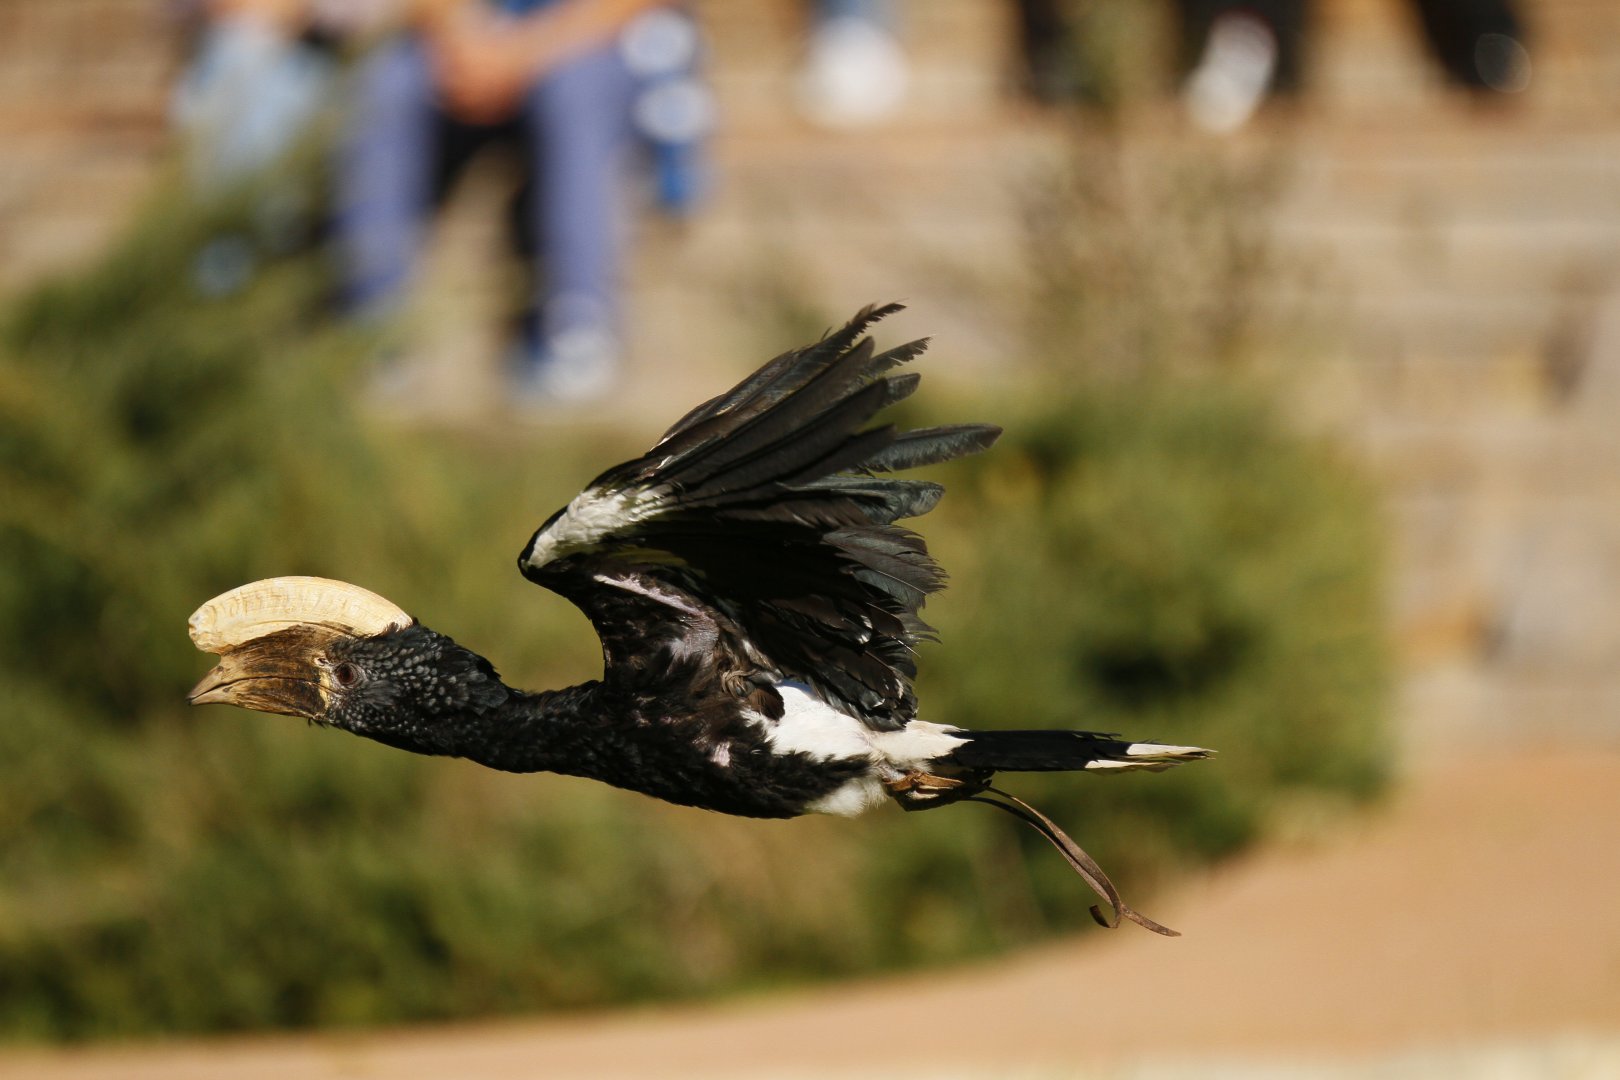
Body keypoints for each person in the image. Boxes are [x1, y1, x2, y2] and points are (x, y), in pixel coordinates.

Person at [333, 0, 706, 404]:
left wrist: (521, 54)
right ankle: (373, 325)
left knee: (574, 90)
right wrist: (459, 36)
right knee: (388, 84)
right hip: (465, 41)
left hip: (591, 43)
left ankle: (577, 329)